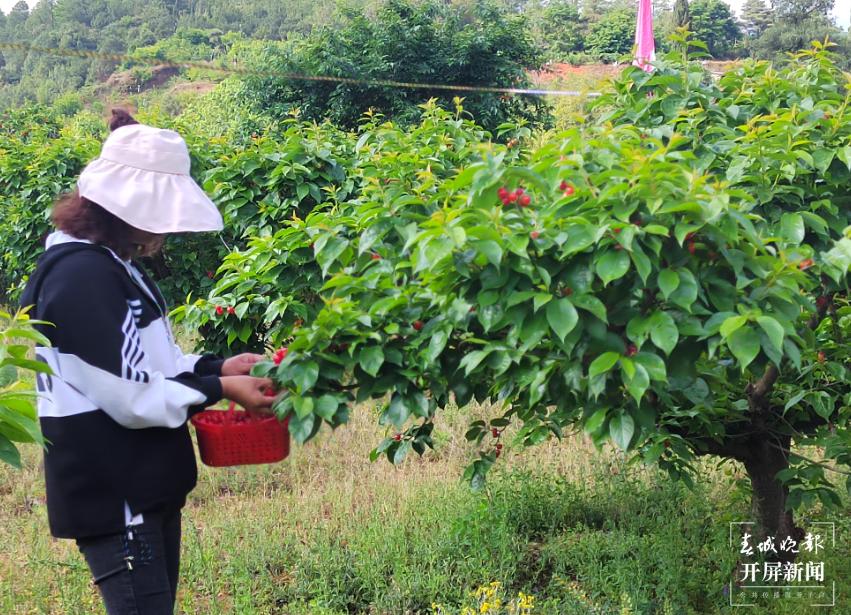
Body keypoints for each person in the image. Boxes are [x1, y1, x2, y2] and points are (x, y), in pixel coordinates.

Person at [20, 109, 275, 614]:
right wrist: (222, 391)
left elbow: (154, 362)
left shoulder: (113, 266)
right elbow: (134, 397)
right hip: (119, 496)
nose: (162, 235)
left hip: (143, 484)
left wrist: (218, 367)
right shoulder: (81, 279)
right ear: (121, 210)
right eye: (156, 220)